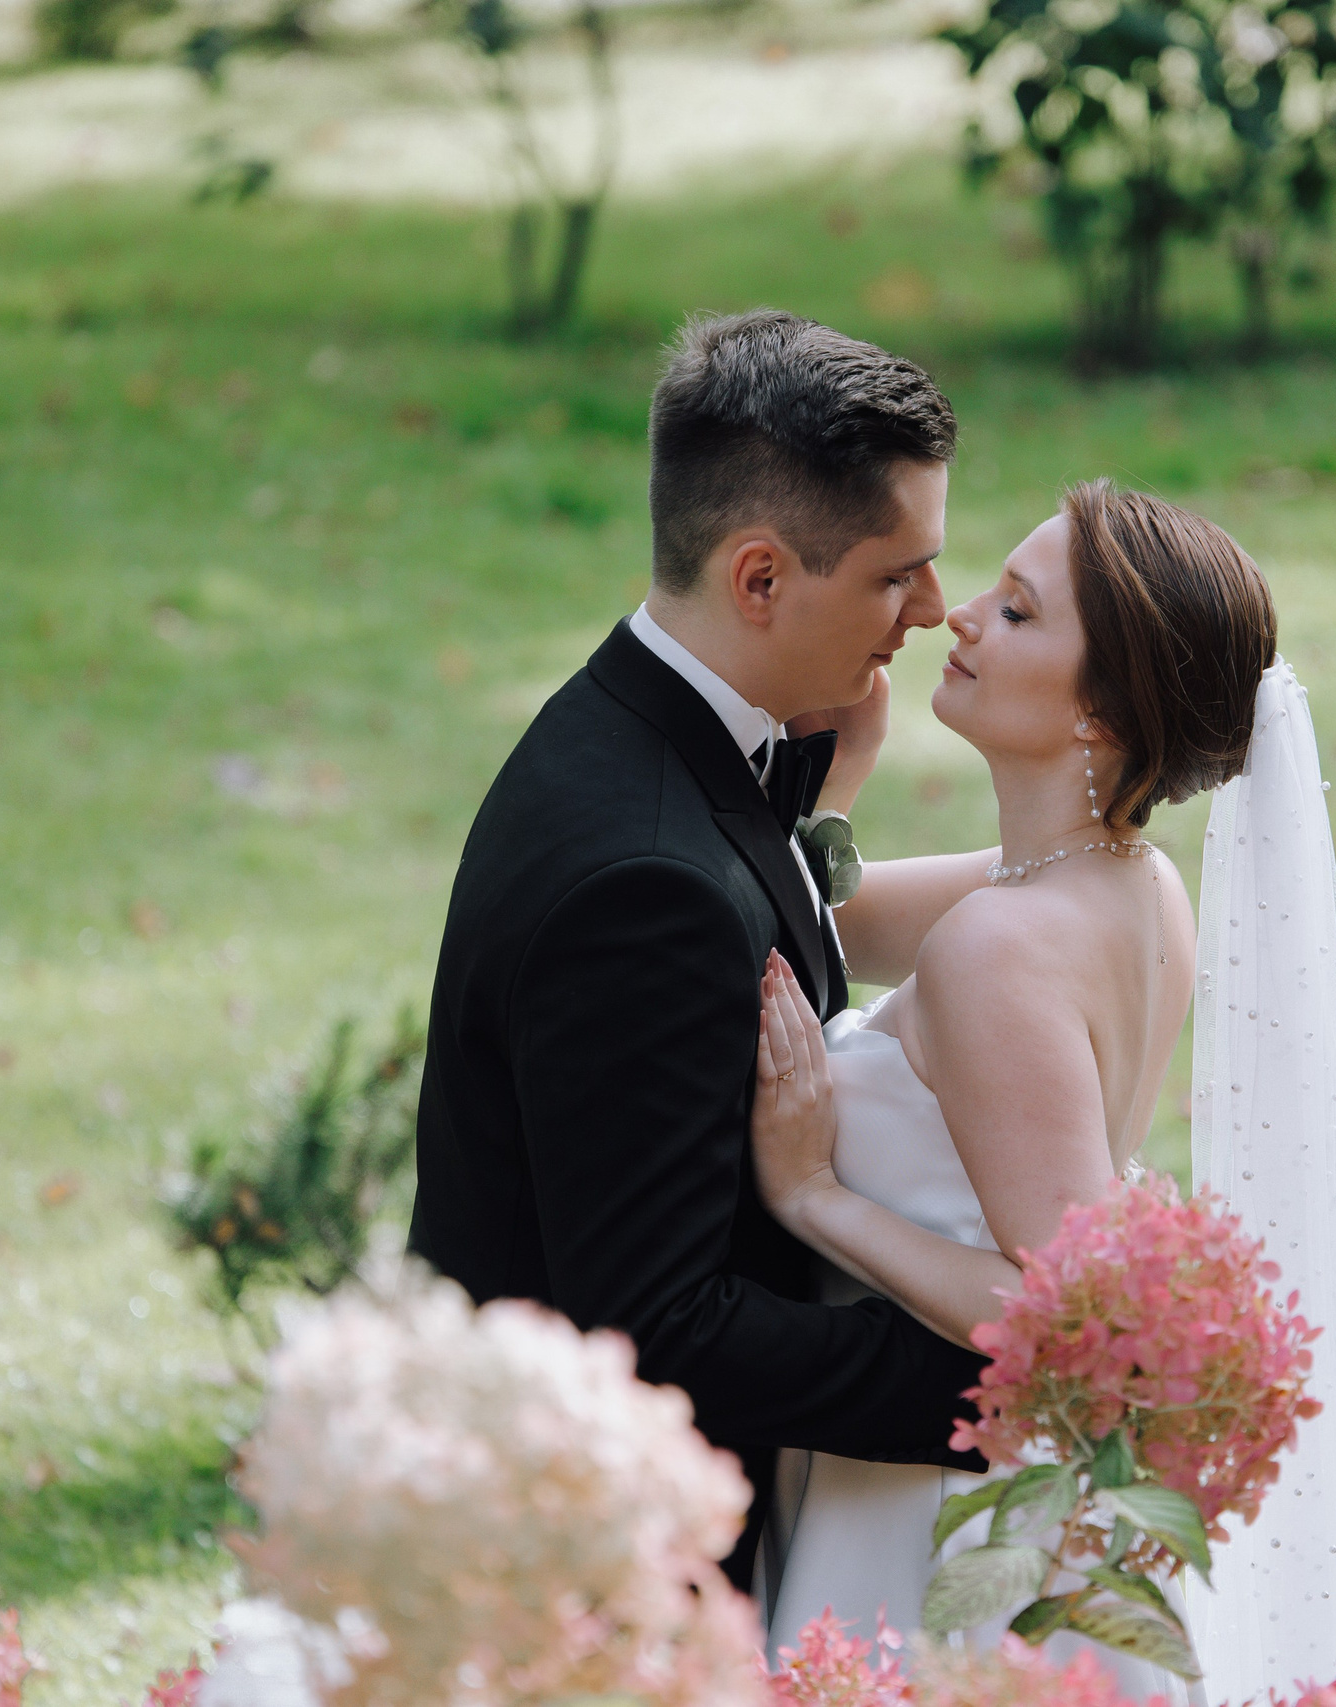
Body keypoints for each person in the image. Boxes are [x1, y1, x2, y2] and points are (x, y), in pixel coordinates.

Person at [748, 481, 1336, 1700]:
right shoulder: (1121, 883)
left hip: (946, 1528)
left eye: (1018, 612)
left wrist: (813, 1194)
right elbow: (837, 914)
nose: (961, 619)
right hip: (1003, 1486)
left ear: (1099, 710)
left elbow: (1065, 1320)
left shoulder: (1005, 945)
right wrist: (837, 773)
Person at [406, 309, 994, 1596]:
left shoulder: (646, 727)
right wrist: (1007, 1394)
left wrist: (826, 816)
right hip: (596, 1582)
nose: (935, 611)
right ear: (761, 578)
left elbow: (773, 909)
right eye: (897, 573)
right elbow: (661, 1329)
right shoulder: (646, 887)